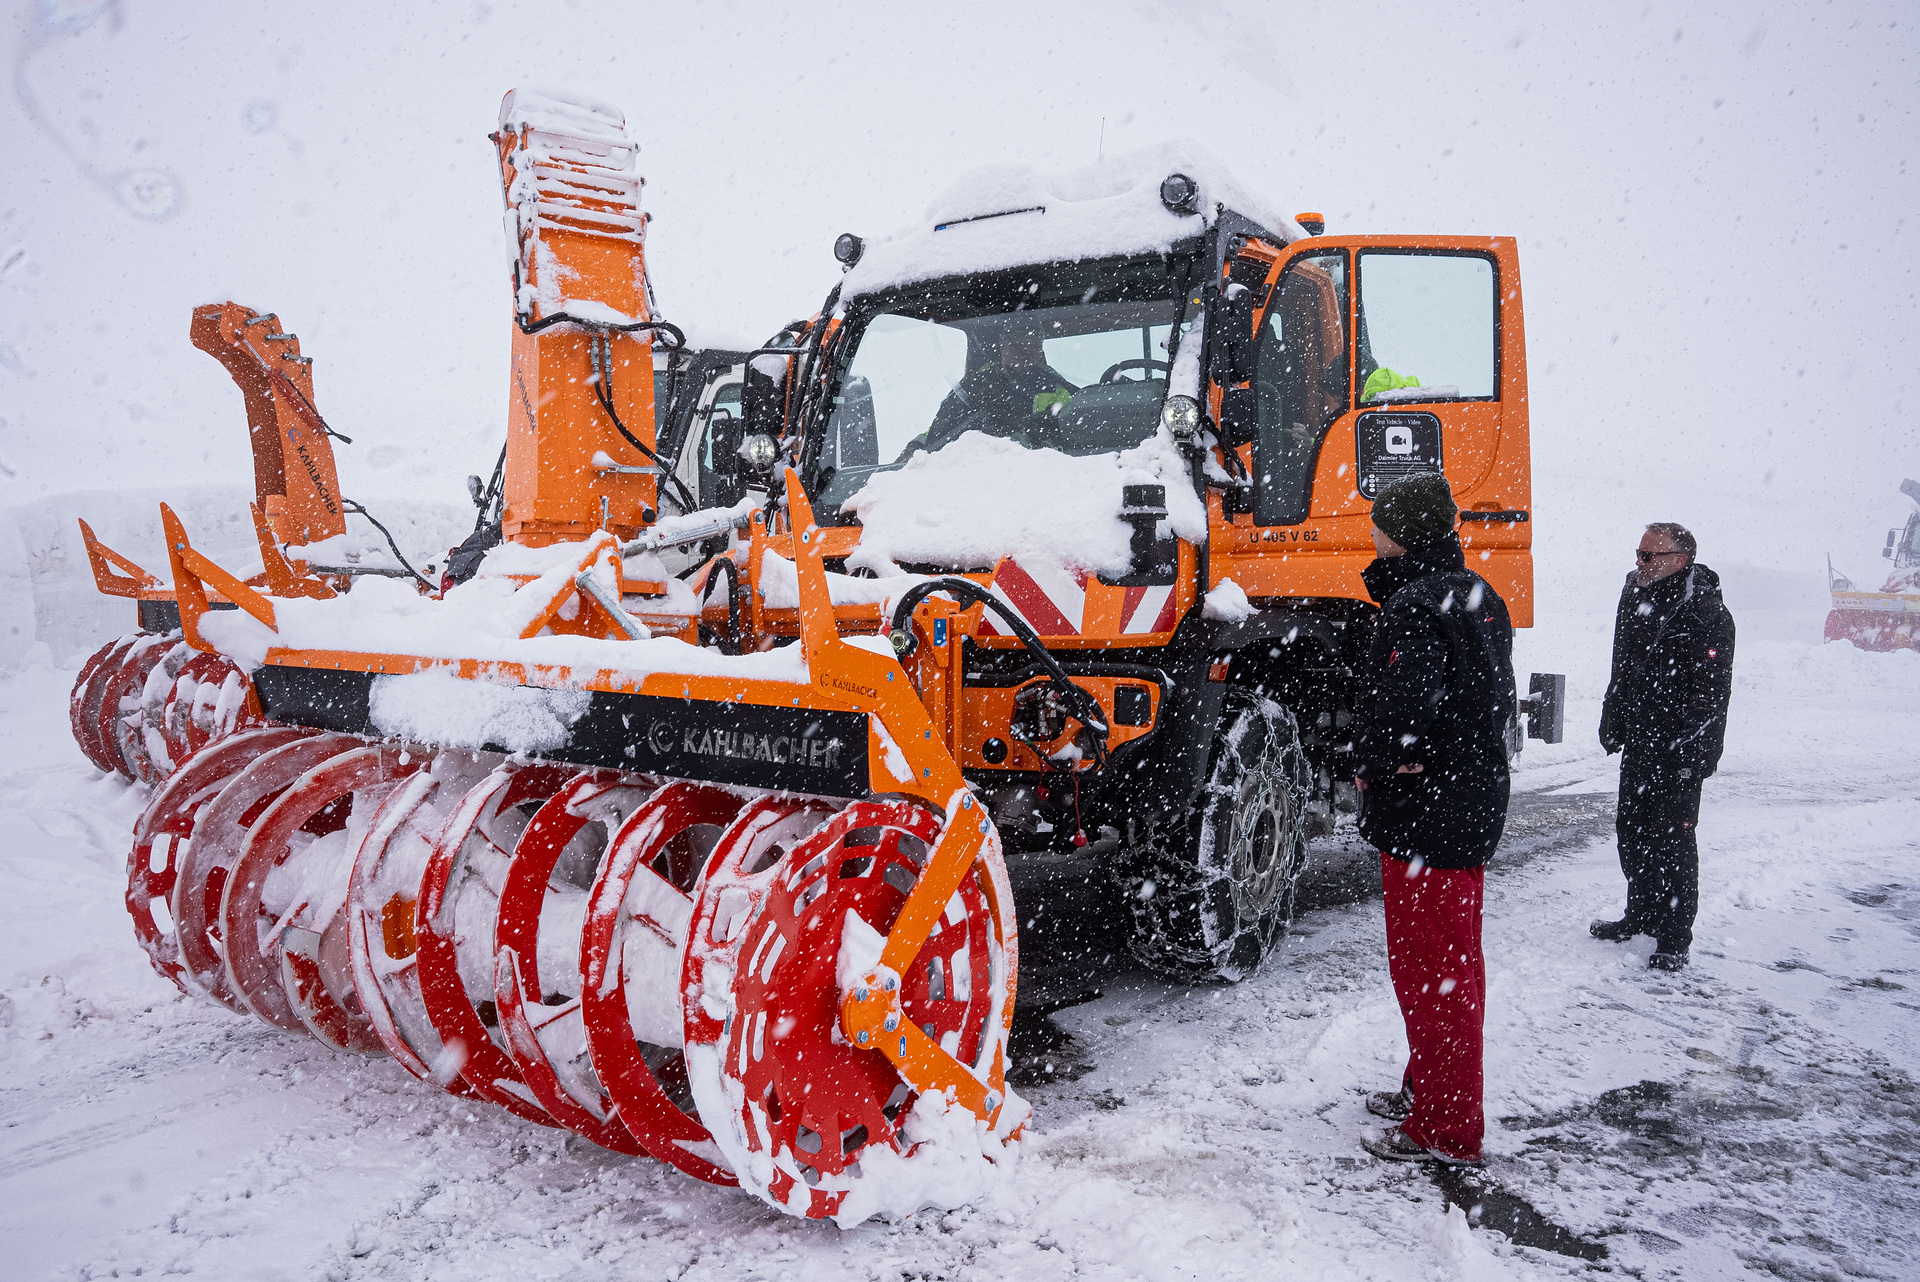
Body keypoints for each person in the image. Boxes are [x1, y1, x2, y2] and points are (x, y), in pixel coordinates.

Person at [1350, 472, 1516, 1168]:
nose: (1371, 530)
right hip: (1467, 802)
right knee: (1452, 967)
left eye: (1379, 521)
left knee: (1431, 974)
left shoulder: (1416, 606)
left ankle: (1447, 1129)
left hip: (1429, 818)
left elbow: (1406, 711)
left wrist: (1378, 758)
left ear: (1401, 531)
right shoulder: (1480, 595)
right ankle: (1432, 1091)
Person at [1593, 522, 1735, 971]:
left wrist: (1693, 755)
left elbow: (1712, 696)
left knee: (1672, 841)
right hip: (1639, 739)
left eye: (1649, 556)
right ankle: (1640, 913)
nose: (1639, 562)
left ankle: (1674, 937)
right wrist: (1612, 716)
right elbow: (1622, 663)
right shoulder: (1634, 594)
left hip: (1679, 751)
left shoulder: (1706, 612)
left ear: (1680, 559)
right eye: (1638, 552)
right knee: (1632, 832)